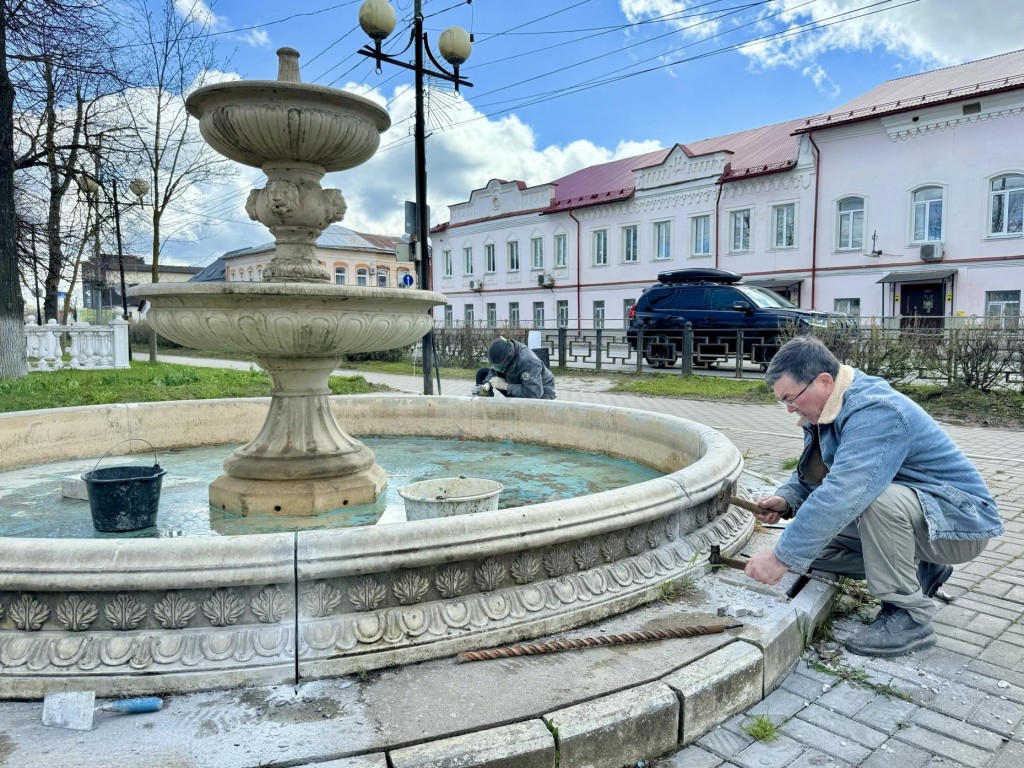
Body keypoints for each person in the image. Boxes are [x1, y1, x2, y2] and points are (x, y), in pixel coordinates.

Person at [743, 336, 1002, 657]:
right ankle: (924, 567)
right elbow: (819, 475)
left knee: (873, 502)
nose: (790, 409)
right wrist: (787, 499)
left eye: (791, 398)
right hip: (922, 518)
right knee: (811, 552)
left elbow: (843, 492)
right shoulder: (826, 411)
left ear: (824, 381)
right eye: (783, 401)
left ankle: (908, 616)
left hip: (959, 523)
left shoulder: (876, 411)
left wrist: (780, 557)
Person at [473, 336, 556, 400]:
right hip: (517, 381)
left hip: (541, 393)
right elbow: (494, 371)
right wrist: (487, 384)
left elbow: (534, 393)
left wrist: (506, 386)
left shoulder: (528, 362)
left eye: (498, 365)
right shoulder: (504, 351)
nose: (495, 368)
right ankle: (485, 407)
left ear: (508, 357)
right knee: (482, 373)